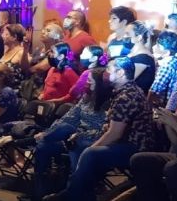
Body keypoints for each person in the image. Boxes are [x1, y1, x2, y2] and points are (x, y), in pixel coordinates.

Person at [44, 57, 155, 201]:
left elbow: (115, 134)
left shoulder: (126, 96)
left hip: (135, 148)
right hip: (127, 142)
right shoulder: (128, 91)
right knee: (79, 144)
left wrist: (92, 146)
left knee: (90, 152)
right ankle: (82, 193)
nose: (105, 73)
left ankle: (72, 193)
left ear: (121, 73)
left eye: (109, 69)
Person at [23, 68, 112, 201]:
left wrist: (78, 133)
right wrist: (49, 131)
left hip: (91, 141)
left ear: (99, 84)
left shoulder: (108, 104)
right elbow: (69, 117)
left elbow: (103, 132)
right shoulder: (85, 99)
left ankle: (71, 194)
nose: (86, 83)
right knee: (45, 145)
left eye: (89, 81)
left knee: (69, 136)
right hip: (70, 137)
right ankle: (39, 192)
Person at [130, 67, 177, 201]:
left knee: (175, 168)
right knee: (140, 160)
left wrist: (176, 125)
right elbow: (176, 142)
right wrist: (168, 121)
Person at [150, 31, 177, 107]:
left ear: (167, 52)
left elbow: (154, 91)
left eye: (158, 45)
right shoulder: (175, 60)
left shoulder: (166, 65)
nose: (154, 47)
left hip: (162, 106)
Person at [127, 21, 156, 93]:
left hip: (135, 98)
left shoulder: (143, 58)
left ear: (139, 37)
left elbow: (127, 80)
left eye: (128, 34)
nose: (125, 37)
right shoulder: (133, 53)